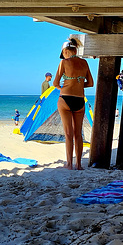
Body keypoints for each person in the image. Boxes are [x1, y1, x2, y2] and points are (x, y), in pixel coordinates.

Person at [53, 38, 93, 170]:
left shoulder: (64, 62)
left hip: (65, 98)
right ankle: (79, 164)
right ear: (75, 49)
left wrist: (64, 86)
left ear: (65, 51)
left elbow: (55, 83)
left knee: (68, 134)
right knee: (78, 134)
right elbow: (91, 83)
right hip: (80, 99)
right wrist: (79, 83)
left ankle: (69, 164)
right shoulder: (84, 63)